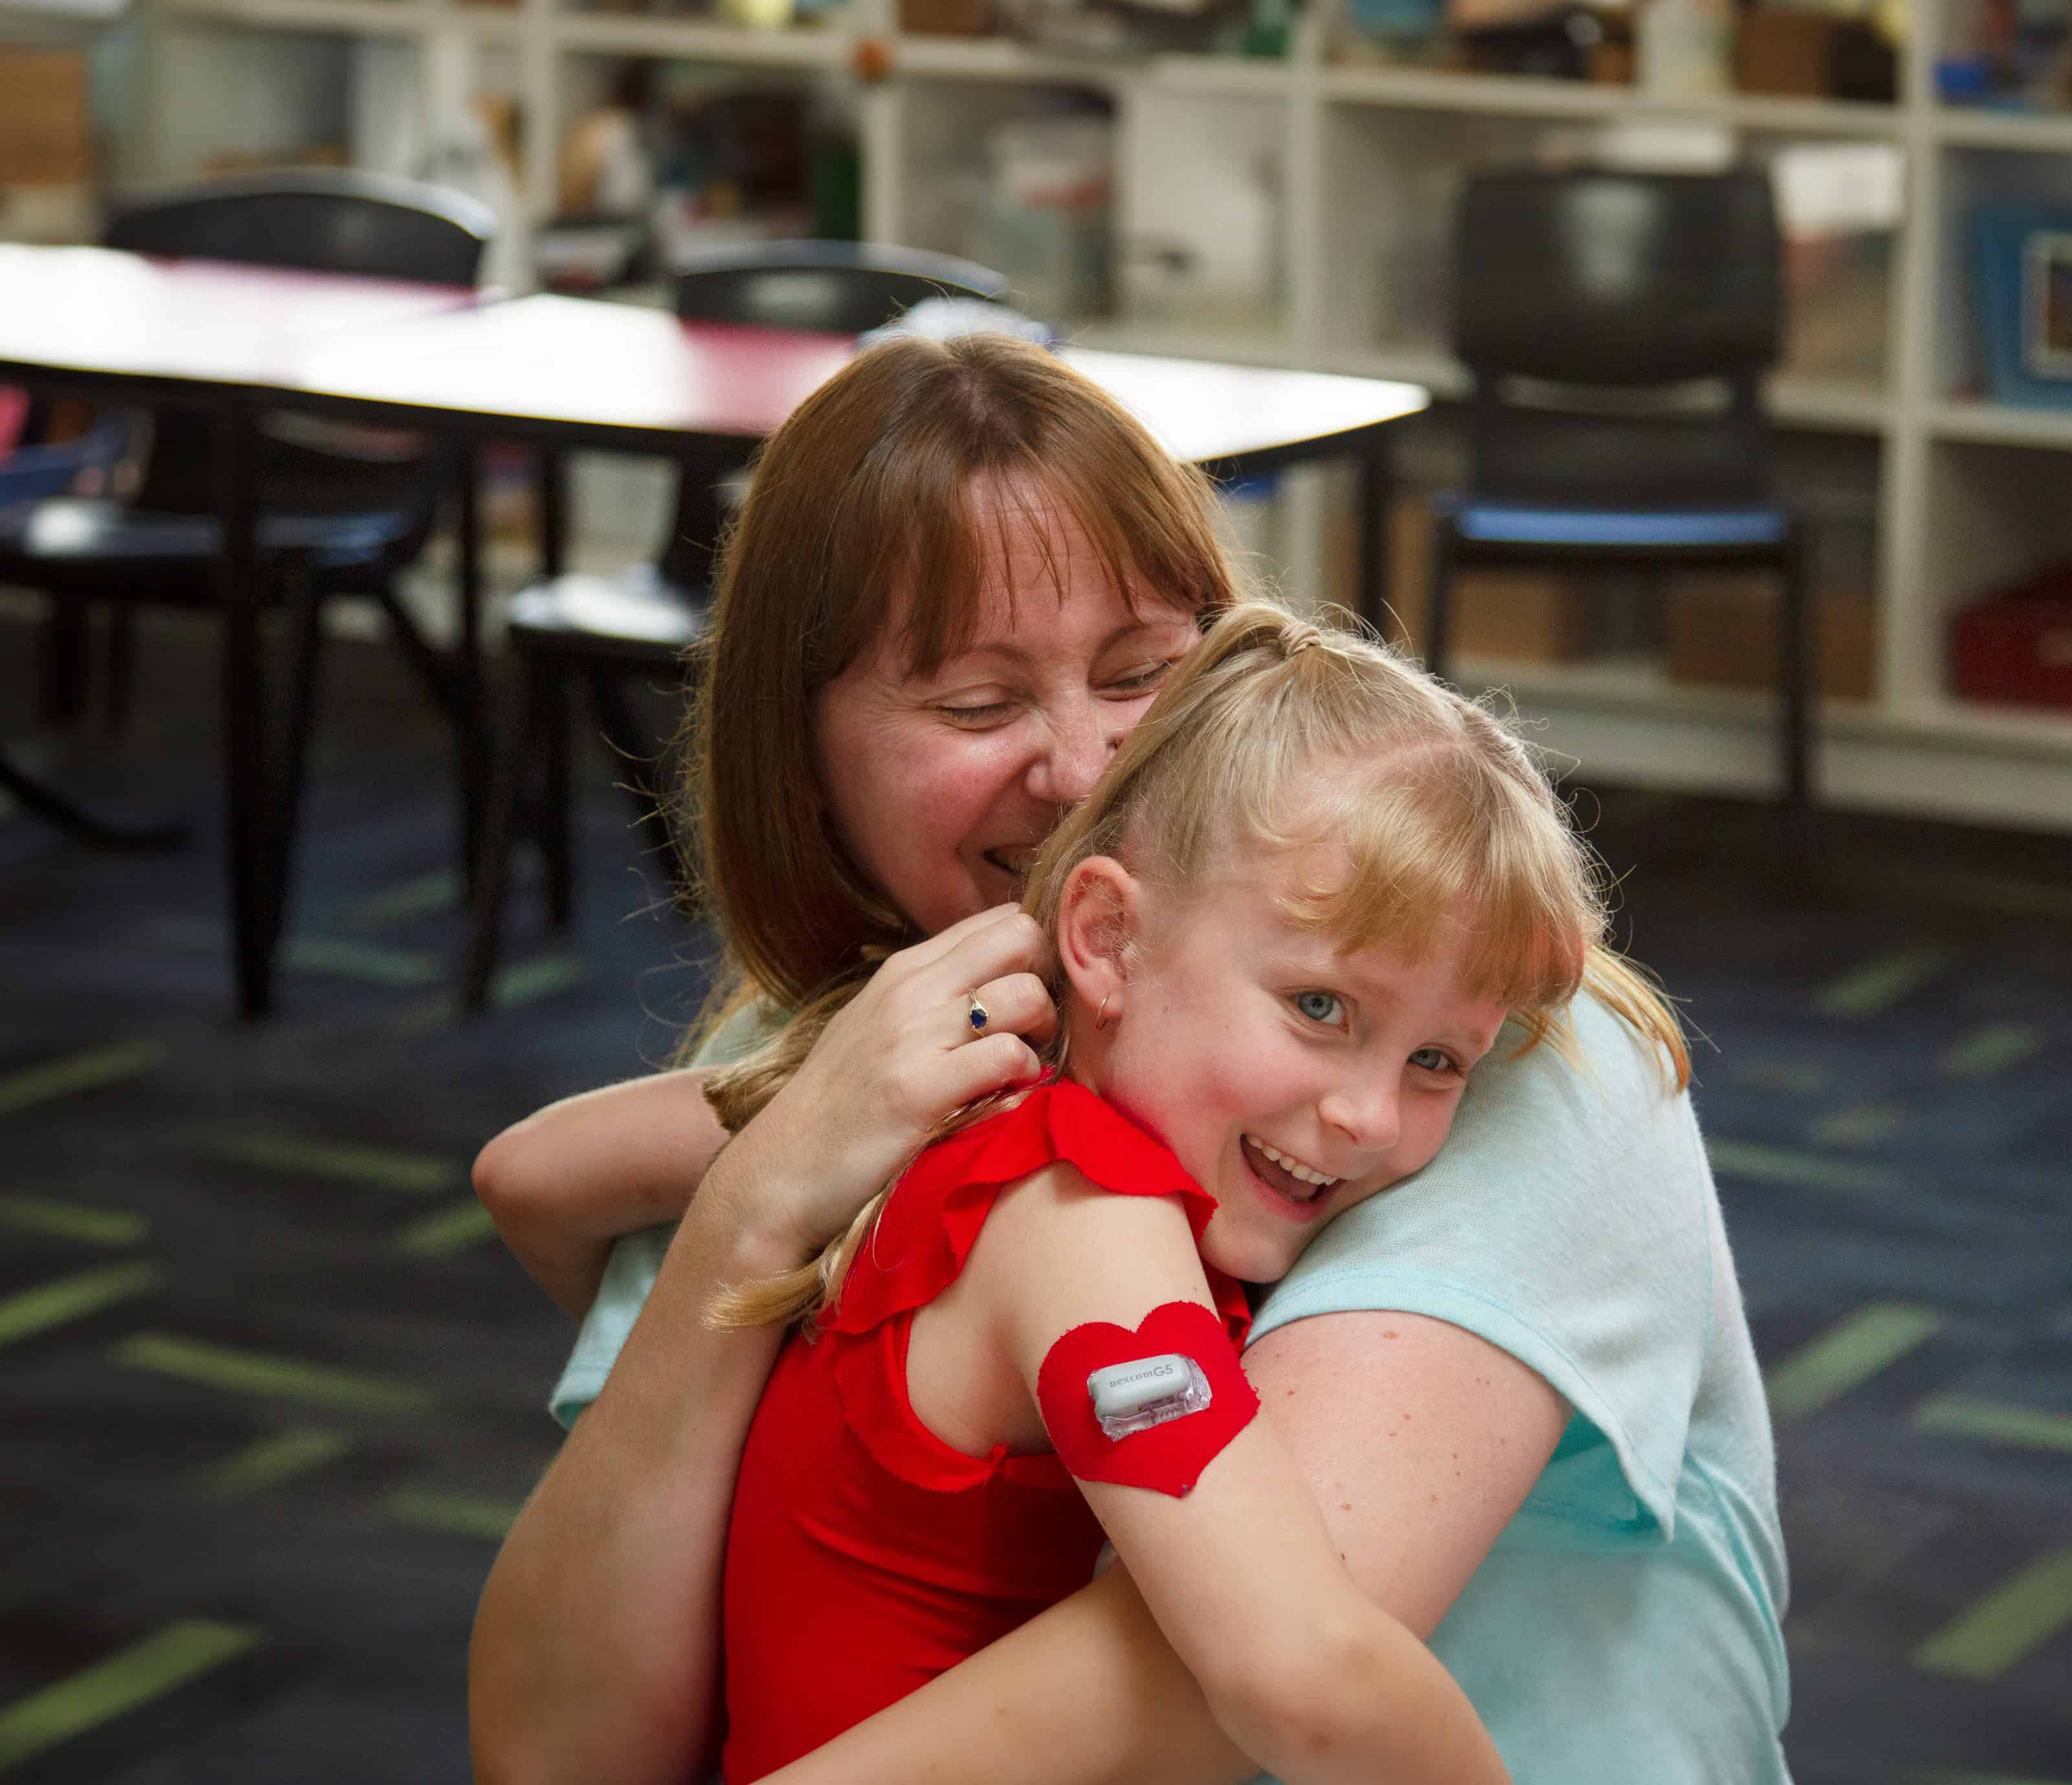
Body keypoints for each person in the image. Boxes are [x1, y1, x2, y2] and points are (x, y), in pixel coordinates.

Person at [469, 332, 1792, 1785]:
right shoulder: (855, 1060)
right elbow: (557, 1748)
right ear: (806, 760)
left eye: (1145, 671)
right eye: (976, 702)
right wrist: (755, 1193)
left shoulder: (1507, 1037)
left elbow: (1279, 1670)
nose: (1090, 769)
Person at [709, 599, 1591, 1783]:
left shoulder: (1001, 1137)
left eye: (1437, 1061)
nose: (1368, 1116)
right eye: (1321, 1008)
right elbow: (1308, 1679)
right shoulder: (1087, 1214)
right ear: (1109, 940)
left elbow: (535, 1167)